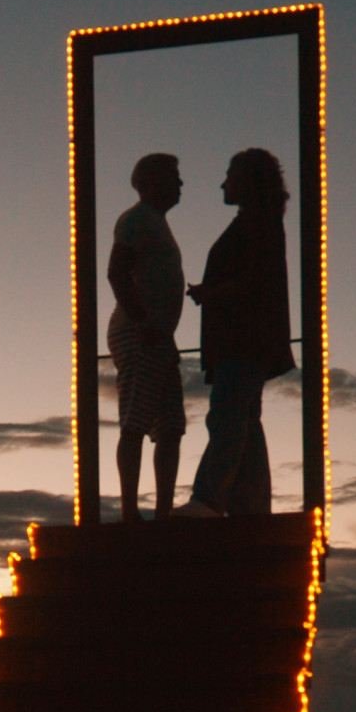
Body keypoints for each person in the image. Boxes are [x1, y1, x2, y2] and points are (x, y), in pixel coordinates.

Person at [183, 147, 294, 517]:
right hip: (248, 340)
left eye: (229, 175)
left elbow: (252, 281)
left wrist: (210, 293)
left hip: (243, 340)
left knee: (228, 417)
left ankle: (210, 498)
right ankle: (251, 505)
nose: (222, 184)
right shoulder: (259, 221)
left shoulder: (256, 223)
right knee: (244, 420)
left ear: (246, 180)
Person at [103, 153, 187, 521]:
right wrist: (144, 323)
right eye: (174, 177)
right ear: (152, 182)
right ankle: (130, 511)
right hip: (140, 334)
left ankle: (163, 511)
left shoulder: (154, 223)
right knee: (135, 420)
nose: (181, 185)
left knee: (171, 425)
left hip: (157, 335)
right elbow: (116, 273)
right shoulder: (136, 221)